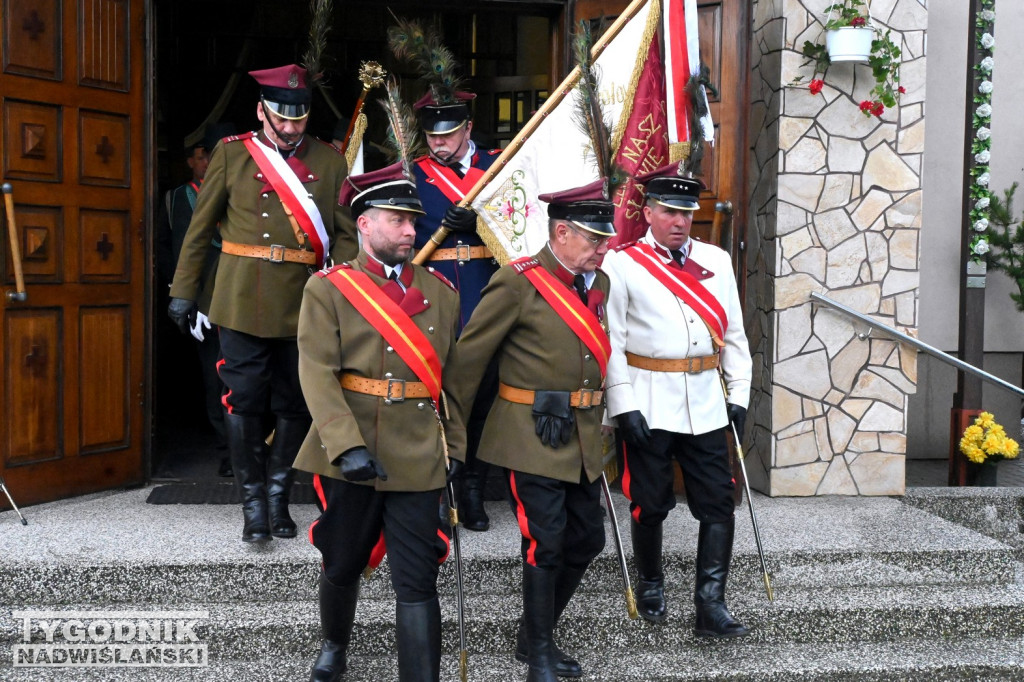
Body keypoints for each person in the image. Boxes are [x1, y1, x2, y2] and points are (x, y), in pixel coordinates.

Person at [168, 64, 358, 543]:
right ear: (261, 111)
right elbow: (199, 230)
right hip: (240, 300)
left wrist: (343, 290)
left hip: (303, 304)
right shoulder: (233, 157)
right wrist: (183, 291)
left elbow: (347, 238)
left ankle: (278, 495)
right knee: (244, 400)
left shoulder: (331, 162)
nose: (292, 128)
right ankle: (252, 504)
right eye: (282, 119)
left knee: (296, 402)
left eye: (299, 119)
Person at [294, 164, 465, 682]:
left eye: (414, 222)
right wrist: (344, 445)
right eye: (398, 221)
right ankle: (333, 644)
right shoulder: (328, 290)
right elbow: (317, 372)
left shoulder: (442, 294)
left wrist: (453, 447)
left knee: (417, 579)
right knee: (343, 559)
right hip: (351, 451)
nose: (412, 231)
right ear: (364, 225)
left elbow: (453, 381)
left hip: (417, 451)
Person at [450, 180, 614, 682]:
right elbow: (467, 362)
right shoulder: (518, 282)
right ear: (560, 232)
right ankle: (539, 652)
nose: (602, 247)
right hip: (529, 433)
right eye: (593, 238)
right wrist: (454, 438)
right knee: (546, 540)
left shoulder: (597, 283)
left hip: (584, 434)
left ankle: (530, 633)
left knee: (586, 540)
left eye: (605, 237)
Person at [601, 164, 752, 638]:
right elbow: (613, 341)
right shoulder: (621, 263)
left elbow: (734, 333)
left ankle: (711, 604)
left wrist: (740, 393)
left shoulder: (717, 261)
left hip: (706, 400)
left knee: (719, 502)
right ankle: (650, 583)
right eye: (669, 211)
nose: (680, 221)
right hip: (648, 399)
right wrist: (622, 406)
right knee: (649, 502)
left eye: (686, 211)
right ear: (647, 212)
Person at [410, 87, 502, 531]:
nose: (439, 144)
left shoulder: (498, 168)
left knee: (485, 396)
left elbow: (521, 228)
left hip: (489, 292)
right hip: (439, 295)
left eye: (447, 135)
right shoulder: (414, 175)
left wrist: (481, 224)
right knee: (443, 396)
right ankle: (445, 485)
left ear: (467, 129)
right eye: (432, 136)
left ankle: (474, 490)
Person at [157, 123, 235, 477]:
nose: (212, 162)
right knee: (213, 379)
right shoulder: (179, 198)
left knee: (249, 382)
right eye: (206, 156)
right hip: (203, 304)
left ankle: (254, 451)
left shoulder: (248, 193)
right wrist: (182, 294)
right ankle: (228, 452)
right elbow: (169, 246)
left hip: (243, 301)